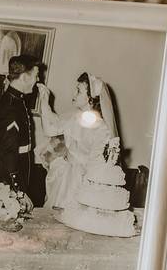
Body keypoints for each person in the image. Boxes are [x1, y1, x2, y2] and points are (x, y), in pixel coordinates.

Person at [37, 72, 118, 209]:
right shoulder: (74, 118)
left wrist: (76, 163)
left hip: (83, 182)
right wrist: (45, 100)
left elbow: (98, 163)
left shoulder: (101, 129)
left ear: (90, 99)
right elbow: (50, 129)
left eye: (79, 91)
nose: (74, 94)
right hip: (65, 177)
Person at [0, 56, 41, 207]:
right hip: (9, 175)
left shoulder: (16, 100)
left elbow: (3, 136)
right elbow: (9, 151)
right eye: (35, 75)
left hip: (19, 165)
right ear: (25, 77)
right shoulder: (11, 106)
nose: (38, 80)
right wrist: (19, 190)